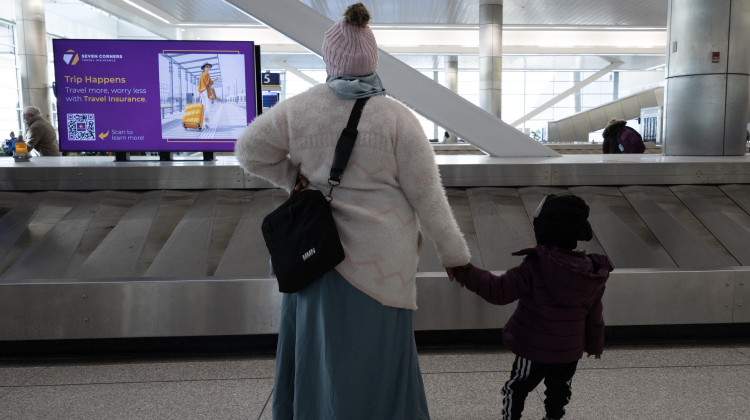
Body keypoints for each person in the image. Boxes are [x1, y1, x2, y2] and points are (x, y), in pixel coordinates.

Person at [234, 3, 471, 419]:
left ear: (330, 59)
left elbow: (248, 150)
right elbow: (428, 197)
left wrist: (292, 177)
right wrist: (455, 256)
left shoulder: (299, 109)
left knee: (320, 357)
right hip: (384, 266)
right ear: (372, 59)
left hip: (316, 259)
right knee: (378, 363)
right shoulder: (398, 119)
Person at [451, 194, 613, 420]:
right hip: (569, 351)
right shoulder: (589, 270)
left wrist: (467, 273)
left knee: (516, 388)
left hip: (534, 348)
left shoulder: (536, 264)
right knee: (559, 391)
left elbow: (499, 291)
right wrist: (595, 345)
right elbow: (595, 313)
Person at [197, 62, 219, 128]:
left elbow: (199, 86)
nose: (208, 68)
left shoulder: (201, 75)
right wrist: (215, 80)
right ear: (204, 68)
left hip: (201, 92)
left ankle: (202, 122)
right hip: (206, 91)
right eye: (207, 67)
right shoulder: (207, 74)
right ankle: (206, 123)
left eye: (209, 67)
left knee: (204, 107)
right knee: (208, 107)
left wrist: (199, 94)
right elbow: (209, 84)